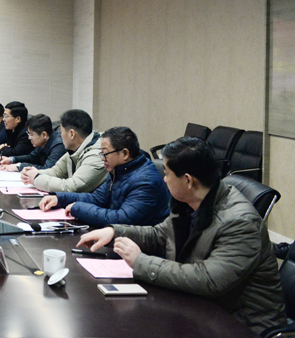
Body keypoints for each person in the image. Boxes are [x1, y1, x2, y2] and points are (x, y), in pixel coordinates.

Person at [77, 137, 286, 335]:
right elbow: (160, 235)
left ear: (187, 180)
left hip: (241, 325)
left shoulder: (240, 222)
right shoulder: (188, 203)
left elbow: (209, 280)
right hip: (200, 309)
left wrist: (141, 262)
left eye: (167, 173)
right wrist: (115, 232)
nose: (164, 179)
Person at [38, 126, 169, 227]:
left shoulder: (145, 181)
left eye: (105, 154)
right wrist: (60, 198)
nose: (102, 159)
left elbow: (121, 219)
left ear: (124, 154)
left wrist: (77, 208)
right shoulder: (118, 171)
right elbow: (97, 198)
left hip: (142, 246)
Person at [17, 109, 106, 192]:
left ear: (72, 134)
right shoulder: (75, 149)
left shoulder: (96, 155)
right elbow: (56, 172)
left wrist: (36, 178)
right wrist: (33, 173)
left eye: (61, 131)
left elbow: (73, 187)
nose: (60, 135)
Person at [0, 114, 66, 171]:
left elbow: (47, 169)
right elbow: (31, 157)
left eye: (31, 135)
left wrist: (20, 166)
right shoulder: (43, 142)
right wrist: (12, 159)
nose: (29, 138)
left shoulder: (59, 146)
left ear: (44, 135)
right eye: (28, 134)